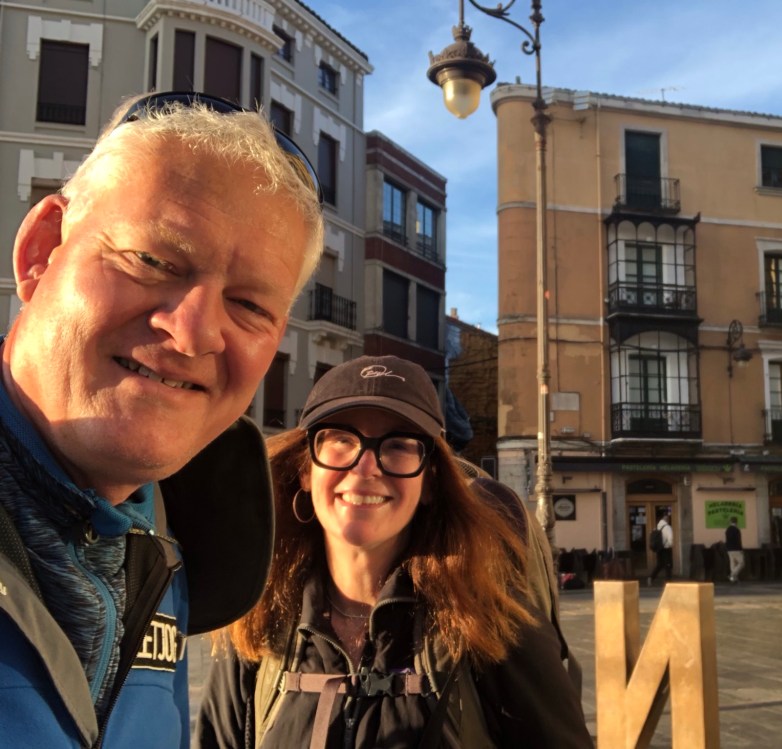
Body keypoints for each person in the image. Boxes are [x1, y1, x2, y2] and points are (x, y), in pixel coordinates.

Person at [0, 92, 324, 748]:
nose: (194, 332)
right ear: (41, 250)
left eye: (250, 306)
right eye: (152, 262)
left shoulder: (171, 544)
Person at [193, 355, 593, 748]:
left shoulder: (492, 623)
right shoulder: (259, 620)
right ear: (306, 469)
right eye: (341, 439)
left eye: (398, 445)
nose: (365, 467)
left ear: (430, 481)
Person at [647, 510, 674, 584]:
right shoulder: (668, 527)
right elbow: (670, 538)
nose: (668, 518)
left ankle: (651, 577)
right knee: (668, 565)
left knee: (659, 564)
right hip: (666, 548)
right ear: (665, 518)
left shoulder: (657, 527)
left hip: (659, 548)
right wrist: (671, 545)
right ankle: (668, 581)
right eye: (667, 517)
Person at [725, 516, 744, 583]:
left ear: (730, 522)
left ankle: (733, 579)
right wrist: (741, 549)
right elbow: (738, 540)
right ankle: (732, 575)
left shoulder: (727, 530)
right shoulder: (737, 530)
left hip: (729, 549)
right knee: (741, 563)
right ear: (736, 522)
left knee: (733, 564)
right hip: (736, 548)